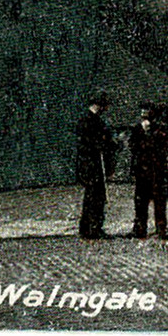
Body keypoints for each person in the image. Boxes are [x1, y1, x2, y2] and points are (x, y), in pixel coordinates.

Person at [74, 92, 116, 239]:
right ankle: (93, 228)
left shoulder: (91, 120)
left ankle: (88, 227)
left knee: (93, 196)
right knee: (95, 197)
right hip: (92, 165)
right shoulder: (88, 121)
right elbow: (87, 144)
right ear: (99, 105)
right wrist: (103, 145)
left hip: (92, 164)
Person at [127, 101, 168, 240]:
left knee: (159, 202)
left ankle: (161, 229)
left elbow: (164, 146)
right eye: (143, 110)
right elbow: (132, 146)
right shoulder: (136, 129)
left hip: (157, 170)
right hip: (142, 170)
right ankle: (140, 229)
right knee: (140, 202)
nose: (144, 113)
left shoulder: (161, 129)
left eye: (147, 110)